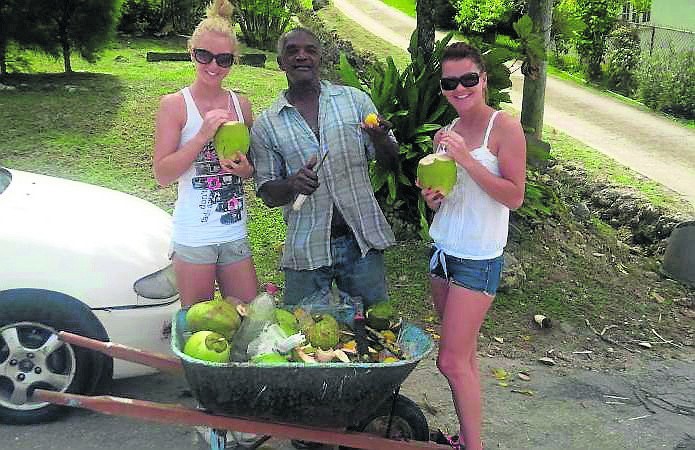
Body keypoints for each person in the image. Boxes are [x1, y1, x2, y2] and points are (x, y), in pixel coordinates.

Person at [420, 42, 526, 450]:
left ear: (482, 80)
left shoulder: (505, 128)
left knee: (449, 361)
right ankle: (467, 438)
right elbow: (447, 197)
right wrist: (433, 199)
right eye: (450, 82)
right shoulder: (443, 135)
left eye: (468, 79)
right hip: (443, 252)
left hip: (477, 260)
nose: (459, 89)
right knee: (462, 359)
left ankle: (473, 447)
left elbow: (513, 196)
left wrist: (467, 160)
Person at [250, 27, 399, 308]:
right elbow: (268, 194)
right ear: (281, 62)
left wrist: (380, 139)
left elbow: (391, 164)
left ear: (321, 58)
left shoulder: (355, 101)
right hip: (306, 247)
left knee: (372, 332)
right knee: (303, 337)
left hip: (361, 242)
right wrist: (292, 184)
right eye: (292, 51)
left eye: (310, 50)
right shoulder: (267, 124)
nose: (301, 56)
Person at [152, 0, 257, 309]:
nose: (213, 66)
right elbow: (162, 174)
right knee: (198, 323)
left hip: (233, 229)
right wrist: (201, 136)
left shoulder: (242, 106)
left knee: (247, 319)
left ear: (233, 61)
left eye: (223, 59)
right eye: (204, 56)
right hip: (194, 233)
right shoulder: (174, 105)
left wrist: (246, 171)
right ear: (191, 52)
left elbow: (251, 169)